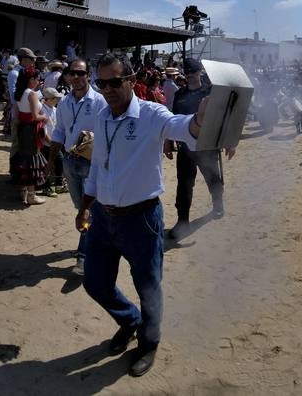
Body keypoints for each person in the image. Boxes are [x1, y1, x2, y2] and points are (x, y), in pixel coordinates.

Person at [77, 52, 207, 378]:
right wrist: (86, 204)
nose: (107, 89)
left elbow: (180, 127)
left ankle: (149, 342)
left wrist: (199, 120)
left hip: (141, 220)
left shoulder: (151, 114)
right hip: (103, 218)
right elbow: (98, 165)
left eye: (114, 82)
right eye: (101, 83)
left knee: (149, 286)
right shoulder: (102, 116)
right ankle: (129, 320)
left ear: (131, 80)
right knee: (94, 282)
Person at [45, 59, 106, 275]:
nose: (77, 77)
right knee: (81, 208)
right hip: (69, 163)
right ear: (68, 76)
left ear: (89, 75)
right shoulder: (64, 102)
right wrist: (51, 160)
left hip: (91, 163)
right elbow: (59, 131)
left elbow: (107, 132)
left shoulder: (99, 101)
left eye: (81, 73)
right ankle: (94, 242)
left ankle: (83, 257)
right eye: (73, 73)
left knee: (87, 210)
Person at [166, 58, 233, 239]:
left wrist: (230, 141)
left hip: (207, 146)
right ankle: (182, 221)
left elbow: (224, 117)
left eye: (193, 71)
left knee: (213, 179)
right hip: (185, 148)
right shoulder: (179, 94)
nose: (189, 75)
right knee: (184, 184)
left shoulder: (210, 92)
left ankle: (217, 204)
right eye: (187, 72)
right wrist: (168, 142)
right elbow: (173, 120)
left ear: (200, 72)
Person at [11, 68, 47, 205]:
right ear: (31, 79)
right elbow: (35, 116)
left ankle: (23, 192)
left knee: (24, 159)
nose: (39, 81)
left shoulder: (20, 92)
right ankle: (31, 195)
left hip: (23, 128)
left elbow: (19, 115)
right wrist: (45, 117)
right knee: (32, 160)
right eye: (37, 79)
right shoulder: (31, 94)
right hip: (31, 129)